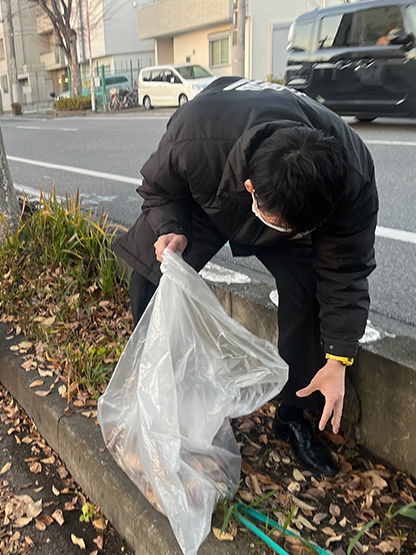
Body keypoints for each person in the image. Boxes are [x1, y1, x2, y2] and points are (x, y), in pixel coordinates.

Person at [113, 77, 378, 477]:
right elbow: (159, 188)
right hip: (211, 193)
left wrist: (339, 356)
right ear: (252, 189)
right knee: (151, 274)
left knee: (309, 292)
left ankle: (292, 416)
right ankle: (156, 398)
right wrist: (172, 227)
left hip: (289, 202)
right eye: (284, 226)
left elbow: (346, 269)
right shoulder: (195, 135)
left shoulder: (350, 175)